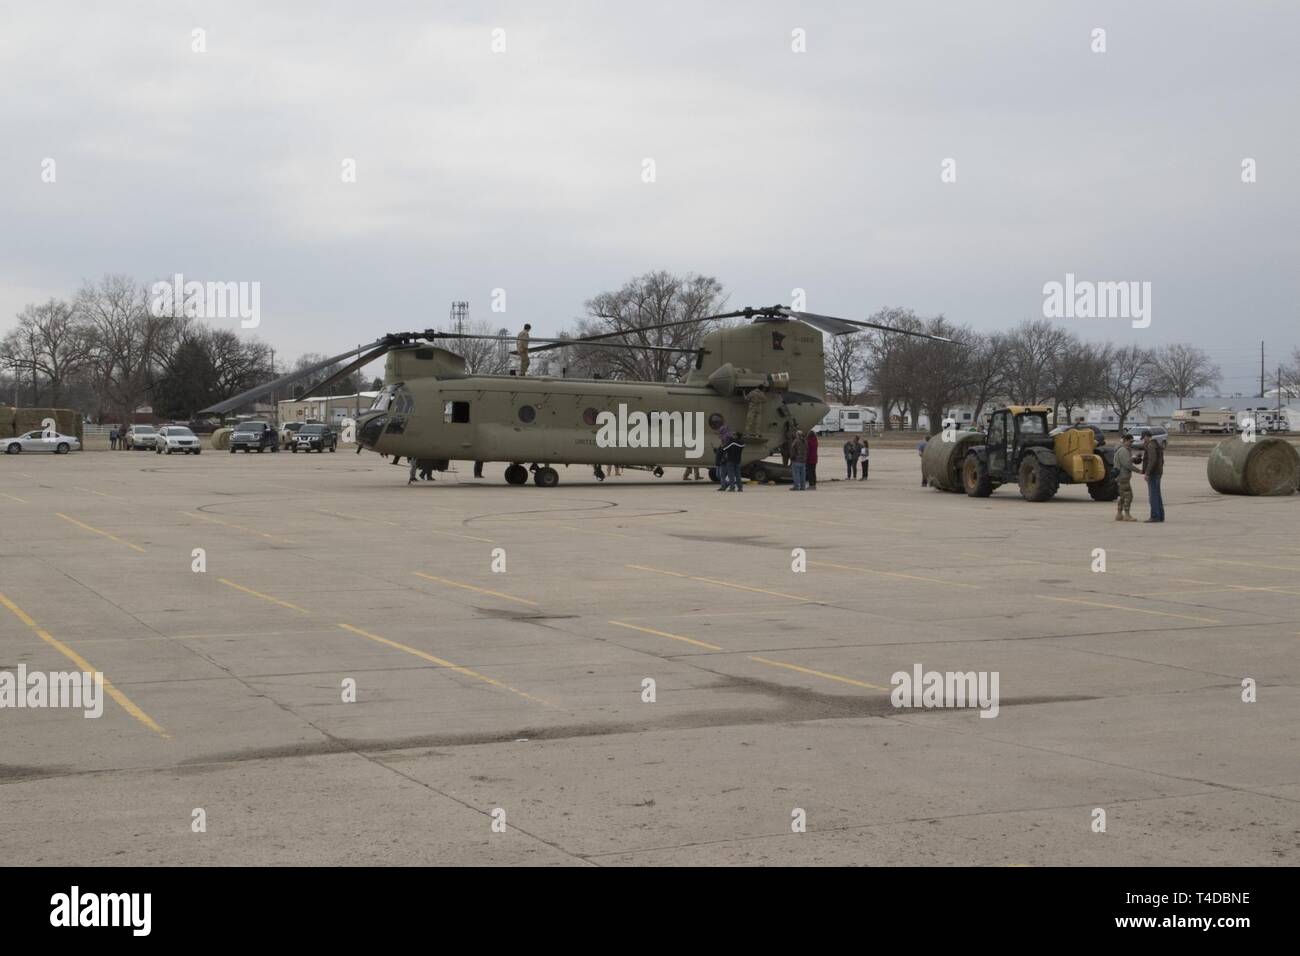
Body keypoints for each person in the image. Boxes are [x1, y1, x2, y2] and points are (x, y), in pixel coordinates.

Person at [1140, 428, 1165, 523]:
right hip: (1157, 472)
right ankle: (1160, 515)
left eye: (1144, 438)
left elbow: (1152, 460)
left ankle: (1154, 516)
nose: (1143, 440)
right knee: (1157, 495)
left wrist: (1147, 473)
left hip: (1153, 473)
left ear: (1147, 436)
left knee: (1153, 496)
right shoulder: (1156, 445)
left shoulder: (1151, 446)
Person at [1113, 433, 1138, 522]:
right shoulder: (1123, 450)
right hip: (1123, 477)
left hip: (1121, 476)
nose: (1131, 443)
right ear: (1125, 440)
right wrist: (1139, 471)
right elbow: (1127, 464)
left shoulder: (1122, 449)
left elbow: (1126, 461)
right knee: (1128, 496)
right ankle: (1127, 515)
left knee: (1122, 496)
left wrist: (1133, 459)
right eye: (1130, 441)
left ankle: (1119, 514)